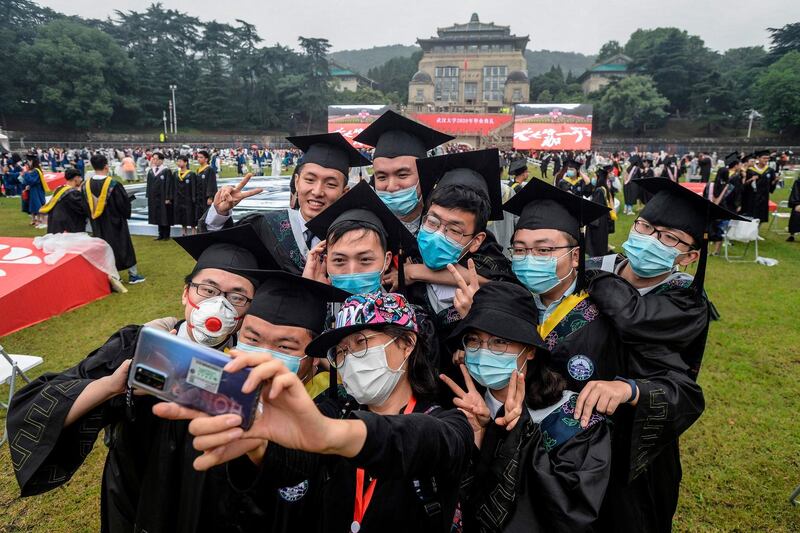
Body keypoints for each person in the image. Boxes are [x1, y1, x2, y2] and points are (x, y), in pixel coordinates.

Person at [7, 225, 276, 533]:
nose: (219, 305)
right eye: (209, 290)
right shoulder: (136, 344)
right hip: (137, 489)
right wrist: (111, 387)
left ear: (249, 311)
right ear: (186, 294)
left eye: (237, 297)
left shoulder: (250, 369)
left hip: (211, 502)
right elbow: (37, 406)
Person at [154, 291, 473, 533]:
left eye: (360, 342)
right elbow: (297, 460)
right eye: (341, 352)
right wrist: (259, 447)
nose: (350, 358)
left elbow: (427, 441)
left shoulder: (448, 421)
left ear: (406, 344)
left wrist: (331, 435)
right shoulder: (333, 408)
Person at [582, 178, 745, 532]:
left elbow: (631, 318)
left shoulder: (686, 301)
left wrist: (585, 274)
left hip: (637, 437)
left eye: (669, 237)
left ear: (688, 256)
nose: (651, 240)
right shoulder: (602, 265)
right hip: (575, 426)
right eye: (645, 227)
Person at [442, 281, 612, 532]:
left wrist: (517, 431)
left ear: (530, 351)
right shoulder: (460, 404)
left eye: (499, 342)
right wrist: (475, 441)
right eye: (474, 340)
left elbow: (573, 512)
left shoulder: (574, 417)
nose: (483, 352)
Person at [501, 178, 623, 392]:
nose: (529, 259)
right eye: (520, 250)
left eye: (544, 250)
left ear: (575, 256)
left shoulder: (608, 308)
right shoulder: (509, 302)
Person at [201, 133, 370, 274]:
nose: (318, 191)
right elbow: (221, 254)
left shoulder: (354, 237)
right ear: (296, 182)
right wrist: (220, 213)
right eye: (309, 180)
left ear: (344, 192)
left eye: (331, 184)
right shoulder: (266, 226)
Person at [303, 180, 417, 295]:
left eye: (365, 259)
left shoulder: (407, 312)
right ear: (327, 262)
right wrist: (312, 294)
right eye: (339, 260)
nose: (352, 272)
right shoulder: (315, 309)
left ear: (386, 261)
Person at [354, 110, 453, 234]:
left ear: (424, 176)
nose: (391, 187)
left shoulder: (446, 231)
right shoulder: (364, 229)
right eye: (382, 177)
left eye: (402, 175)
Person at [82, 153, 145, 284]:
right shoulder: (113, 184)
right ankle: (133, 275)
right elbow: (123, 205)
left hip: (97, 223)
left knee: (104, 248)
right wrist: (125, 212)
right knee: (123, 246)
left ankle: (113, 276)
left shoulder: (86, 185)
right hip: (115, 223)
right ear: (106, 166)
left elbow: (85, 206)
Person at [708, 152, 742, 254]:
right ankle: (716, 251)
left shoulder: (710, 185)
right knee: (720, 231)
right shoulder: (728, 186)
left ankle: (707, 250)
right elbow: (734, 196)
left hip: (711, 212)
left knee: (709, 231)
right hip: (723, 211)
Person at [39, 167, 86, 234]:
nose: (81, 180)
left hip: (55, 223)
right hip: (64, 226)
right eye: (79, 178)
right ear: (75, 178)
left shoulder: (59, 189)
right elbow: (82, 208)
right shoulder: (72, 193)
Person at [586, 162, 615, 257]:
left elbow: (595, 207)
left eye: (595, 176)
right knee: (601, 241)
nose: (594, 178)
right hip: (603, 220)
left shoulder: (599, 190)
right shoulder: (604, 188)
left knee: (597, 243)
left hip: (598, 222)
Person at [742, 149, 779, 224]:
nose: (766, 160)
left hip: (764, 197)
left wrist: (775, 181)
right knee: (751, 215)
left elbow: (771, 186)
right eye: (764, 158)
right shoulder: (750, 170)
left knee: (761, 216)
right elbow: (744, 185)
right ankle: (751, 232)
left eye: (767, 158)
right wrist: (751, 180)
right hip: (752, 197)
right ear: (758, 158)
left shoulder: (770, 170)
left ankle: (757, 231)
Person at [146, 152, 174, 241]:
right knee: (157, 215)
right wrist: (149, 196)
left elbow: (169, 185)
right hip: (154, 198)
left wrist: (168, 198)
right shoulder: (151, 171)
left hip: (163, 198)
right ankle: (160, 234)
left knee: (165, 215)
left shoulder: (166, 171)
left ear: (161, 160)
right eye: (153, 159)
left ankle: (166, 235)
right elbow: (148, 185)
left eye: (156, 159)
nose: (154, 161)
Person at [173, 155, 198, 236]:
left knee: (191, 214)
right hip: (179, 198)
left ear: (186, 162)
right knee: (181, 215)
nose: (178, 163)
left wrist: (194, 197)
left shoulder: (191, 174)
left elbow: (194, 187)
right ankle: (184, 232)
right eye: (178, 161)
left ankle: (194, 231)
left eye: (180, 161)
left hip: (189, 198)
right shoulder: (176, 174)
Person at [21, 155, 47, 226]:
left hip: (37, 190)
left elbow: (33, 181)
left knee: (37, 204)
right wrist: (27, 185)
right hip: (31, 190)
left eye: (28, 161)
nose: (27, 163)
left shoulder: (36, 171)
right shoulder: (31, 171)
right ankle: (33, 219)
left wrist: (26, 174)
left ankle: (39, 220)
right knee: (31, 204)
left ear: (32, 161)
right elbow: (28, 181)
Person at [788, 175, 800, 242]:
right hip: (799, 203)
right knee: (795, 218)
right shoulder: (798, 182)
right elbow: (796, 192)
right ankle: (792, 235)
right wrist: (797, 203)